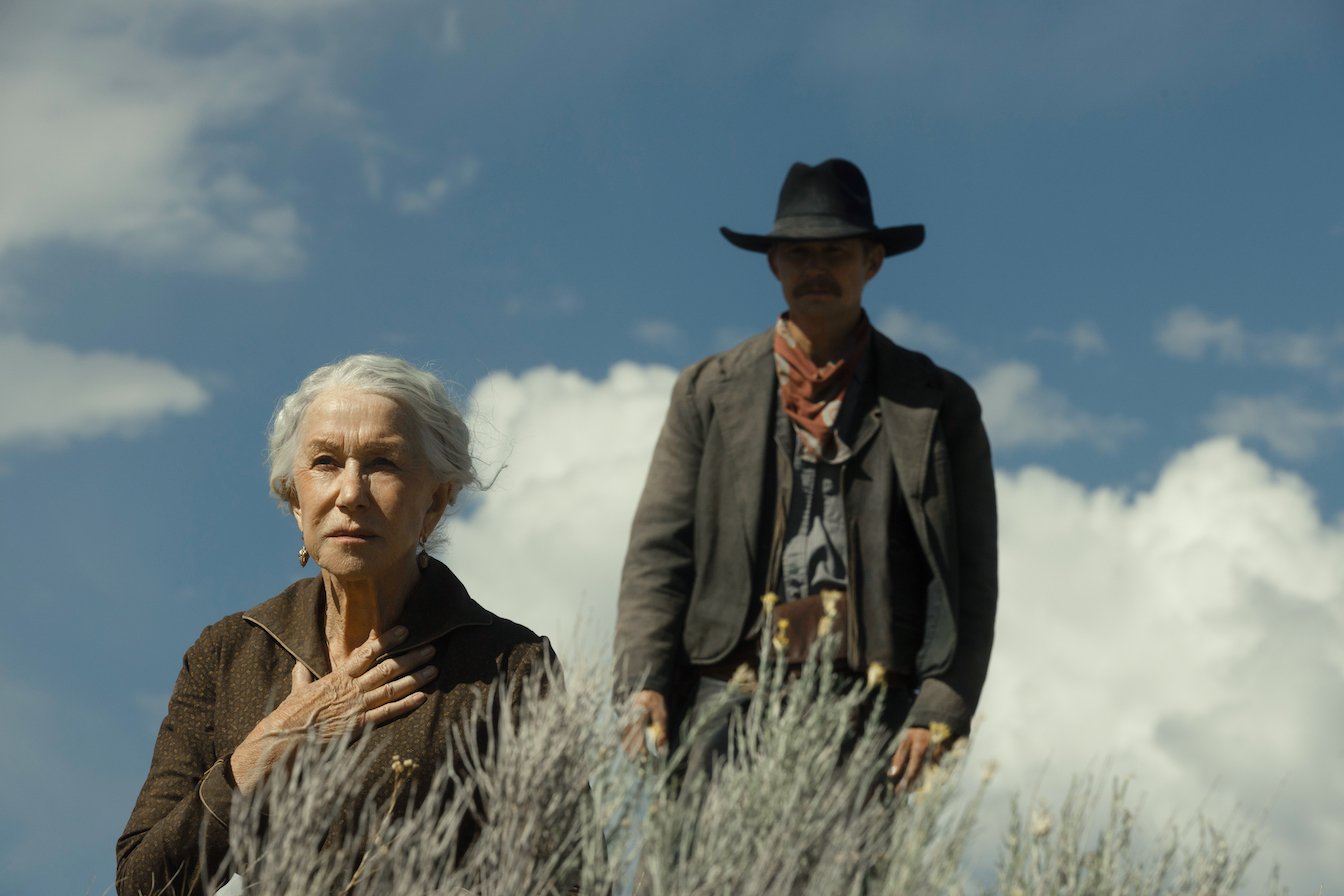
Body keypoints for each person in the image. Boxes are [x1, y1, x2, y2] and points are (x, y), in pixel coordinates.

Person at [614, 158, 997, 789]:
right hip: (726, 689)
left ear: (872, 261)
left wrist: (941, 709)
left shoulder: (936, 402)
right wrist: (643, 682)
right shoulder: (709, 392)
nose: (815, 267)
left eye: (835, 251)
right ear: (774, 264)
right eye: (799, 253)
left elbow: (971, 575)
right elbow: (659, 552)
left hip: (874, 705)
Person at [117, 354, 554, 895]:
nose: (351, 493)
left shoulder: (510, 665)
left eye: (384, 463)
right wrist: (263, 753)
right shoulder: (228, 654)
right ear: (294, 500)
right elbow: (143, 884)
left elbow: (566, 877)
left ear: (436, 502)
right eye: (325, 462)